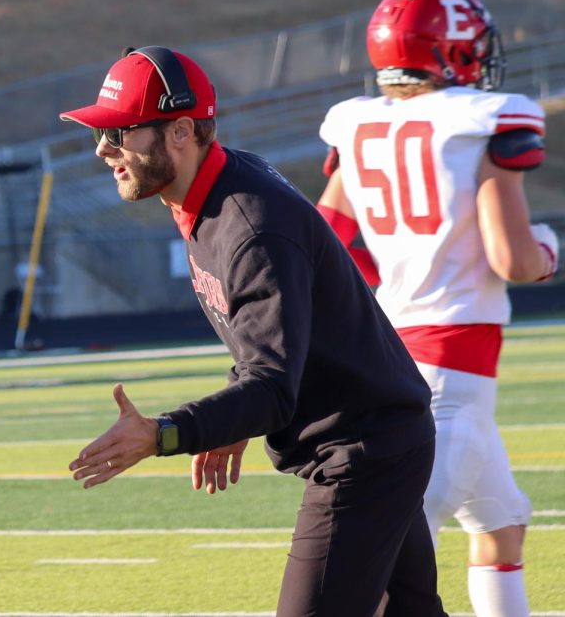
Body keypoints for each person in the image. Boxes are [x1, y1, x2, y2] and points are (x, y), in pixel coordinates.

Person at [59, 47, 446, 617]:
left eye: (121, 133)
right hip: (378, 433)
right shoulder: (206, 189)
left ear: (182, 131)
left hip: (364, 450)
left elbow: (271, 387)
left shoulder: (248, 223)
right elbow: (272, 337)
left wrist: (163, 433)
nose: (104, 150)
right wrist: (235, 415)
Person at [316, 0, 558, 617]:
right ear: (451, 50)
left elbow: (331, 243)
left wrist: (397, 268)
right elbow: (514, 260)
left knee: (501, 523)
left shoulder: (358, 124)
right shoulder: (478, 123)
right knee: (388, 565)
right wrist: (550, 249)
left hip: (389, 359)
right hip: (452, 374)